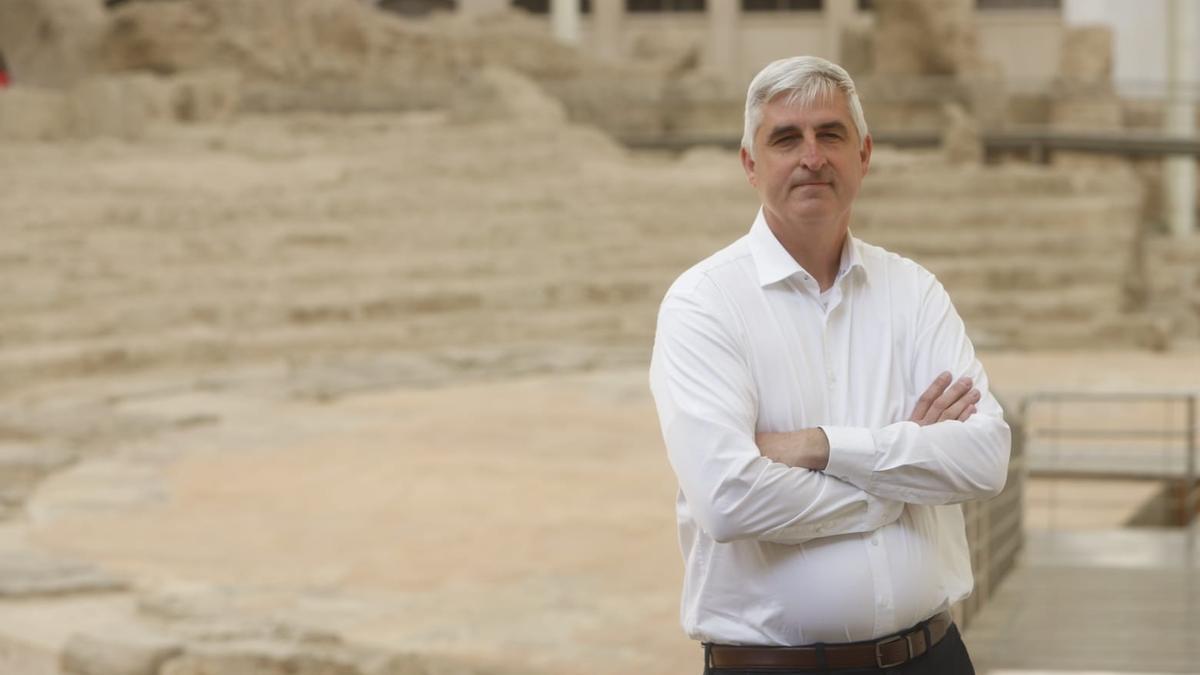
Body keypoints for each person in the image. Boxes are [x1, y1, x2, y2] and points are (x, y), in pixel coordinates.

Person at [648, 56, 1011, 674]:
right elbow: (729, 500)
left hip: (933, 658)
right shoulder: (703, 303)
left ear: (863, 155)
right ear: (750, 164)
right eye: (786, 138)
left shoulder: (915, 292)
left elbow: (985, 459)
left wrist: (821, 447)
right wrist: (895, 487)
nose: (811, 156)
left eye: (830, 134)